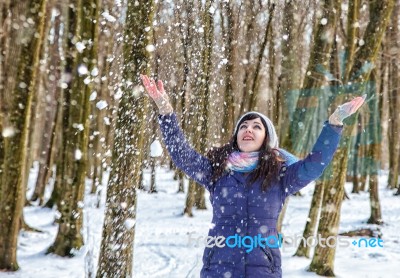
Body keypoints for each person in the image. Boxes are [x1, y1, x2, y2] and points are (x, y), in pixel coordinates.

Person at [140, 74, 365, 278]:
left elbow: (314, 165)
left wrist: (334, 122)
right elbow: (183, 155)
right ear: (236, 136)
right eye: (244, 126)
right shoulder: (217, 172)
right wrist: (166, 111)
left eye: (257, 126)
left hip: (263, 270)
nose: (248, 129)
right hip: (218, 269)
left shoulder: (280, 175)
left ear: (266, 138)